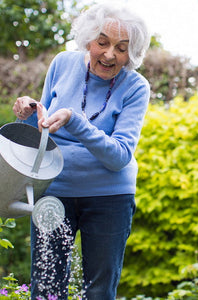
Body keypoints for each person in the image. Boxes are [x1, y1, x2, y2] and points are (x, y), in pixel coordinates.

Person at [12, 3, 151, 299]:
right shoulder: (63, 63)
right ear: (88, 39)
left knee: (99, 291)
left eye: (122, 48)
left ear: (132, 53)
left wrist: (75, 121)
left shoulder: (136, 87)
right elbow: (46, 122)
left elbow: (120, 156)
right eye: (102, 43)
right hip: (54, 191)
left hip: (109, 198)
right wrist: (32, 108)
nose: (110, 54)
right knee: (47, 288)